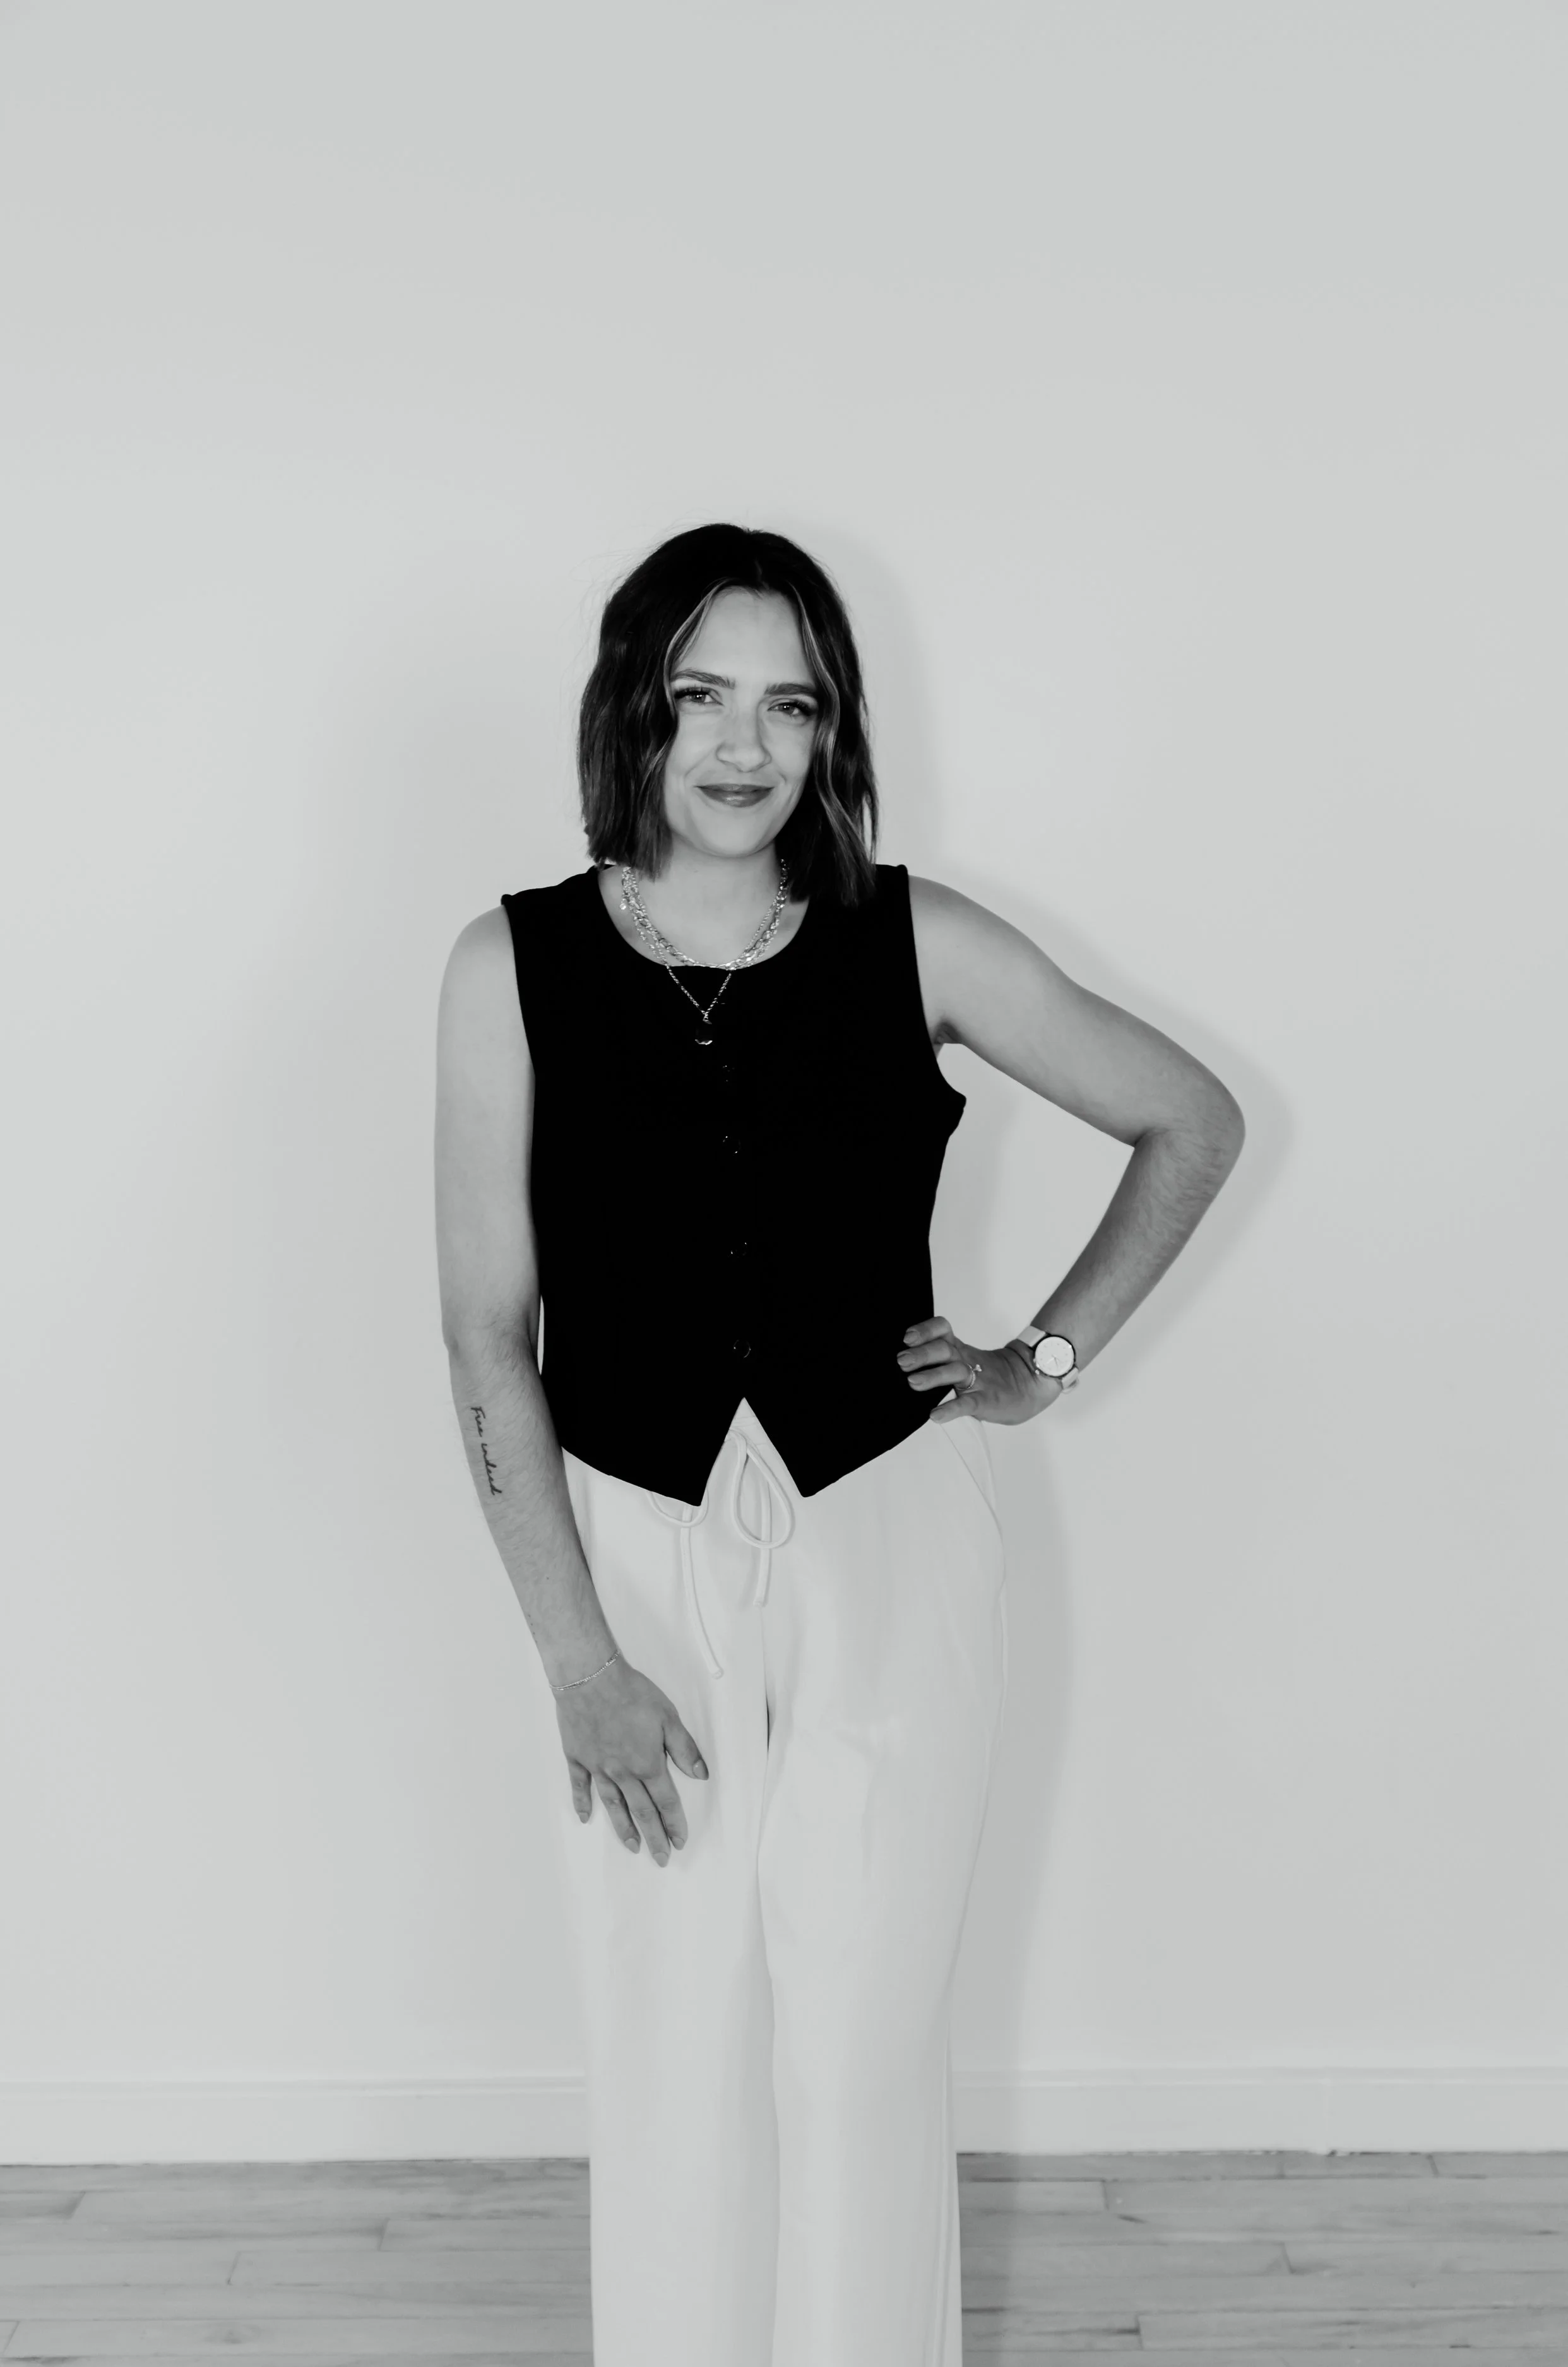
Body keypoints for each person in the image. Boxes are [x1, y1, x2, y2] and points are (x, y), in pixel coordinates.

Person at [434, 523, 1244, 2367]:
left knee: (864, 2048)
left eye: (787, 702)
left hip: (894, 1538)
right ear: (630, 709)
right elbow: (489, 1338)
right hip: (629, 1553)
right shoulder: (511, 966)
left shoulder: (913, 937)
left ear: (830, 732)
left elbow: (1186, 1119)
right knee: (669, 2045)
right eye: (697, 694)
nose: (742, 744)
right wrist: (574, 1657)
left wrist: (1038, 1356)